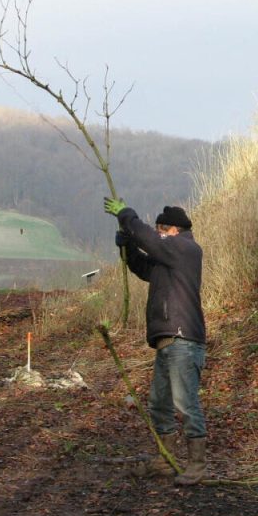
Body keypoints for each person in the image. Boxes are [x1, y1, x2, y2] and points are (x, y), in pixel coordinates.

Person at [103, 197, 208, 485]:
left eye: (163, 228)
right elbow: (143, 266)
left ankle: (197, 465)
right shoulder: (168, 258)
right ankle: (166, 460)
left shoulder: (186, 249)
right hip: (167, 340)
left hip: (183, 338)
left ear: (175, 230)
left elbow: (150, 240)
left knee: (185, 402)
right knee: (160, 403)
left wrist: (126, 215)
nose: (159, 232)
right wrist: (126, 247)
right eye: (157, 228)